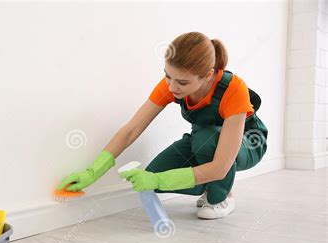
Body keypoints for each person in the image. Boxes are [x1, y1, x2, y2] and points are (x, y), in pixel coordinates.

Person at [58, 32, 268, 219]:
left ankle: (220, 197)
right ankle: (209, 186)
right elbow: (132, 129)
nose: (172, 86)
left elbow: (221, 165)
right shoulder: (173, 82)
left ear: (208, 75)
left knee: (206, 142)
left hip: (246, 144)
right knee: (155, 172)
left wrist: (161, 180)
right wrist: (92, 172)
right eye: (168, 76)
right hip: (202, 139)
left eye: (182, 83)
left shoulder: (233, 89)